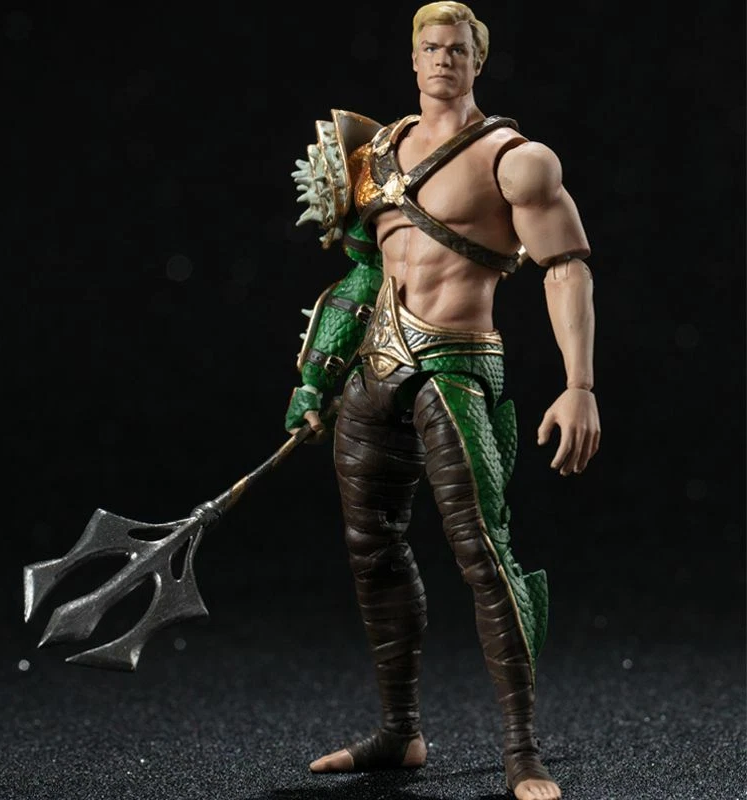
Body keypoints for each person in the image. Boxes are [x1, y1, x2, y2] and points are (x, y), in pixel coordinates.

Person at [285, 3, 600, 798]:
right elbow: (362, 272)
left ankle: (522, 752)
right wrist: (314, 378)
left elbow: (565, 266)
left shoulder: (515, 160)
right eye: (430, 47)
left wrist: (580, 387)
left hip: (457, 367)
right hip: (373, 368)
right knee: (372, 550)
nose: (442, 60)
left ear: (476, 61)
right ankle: (400, 733)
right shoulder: (375, 152)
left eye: (457, 49)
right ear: (413, 58)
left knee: (484, 554)